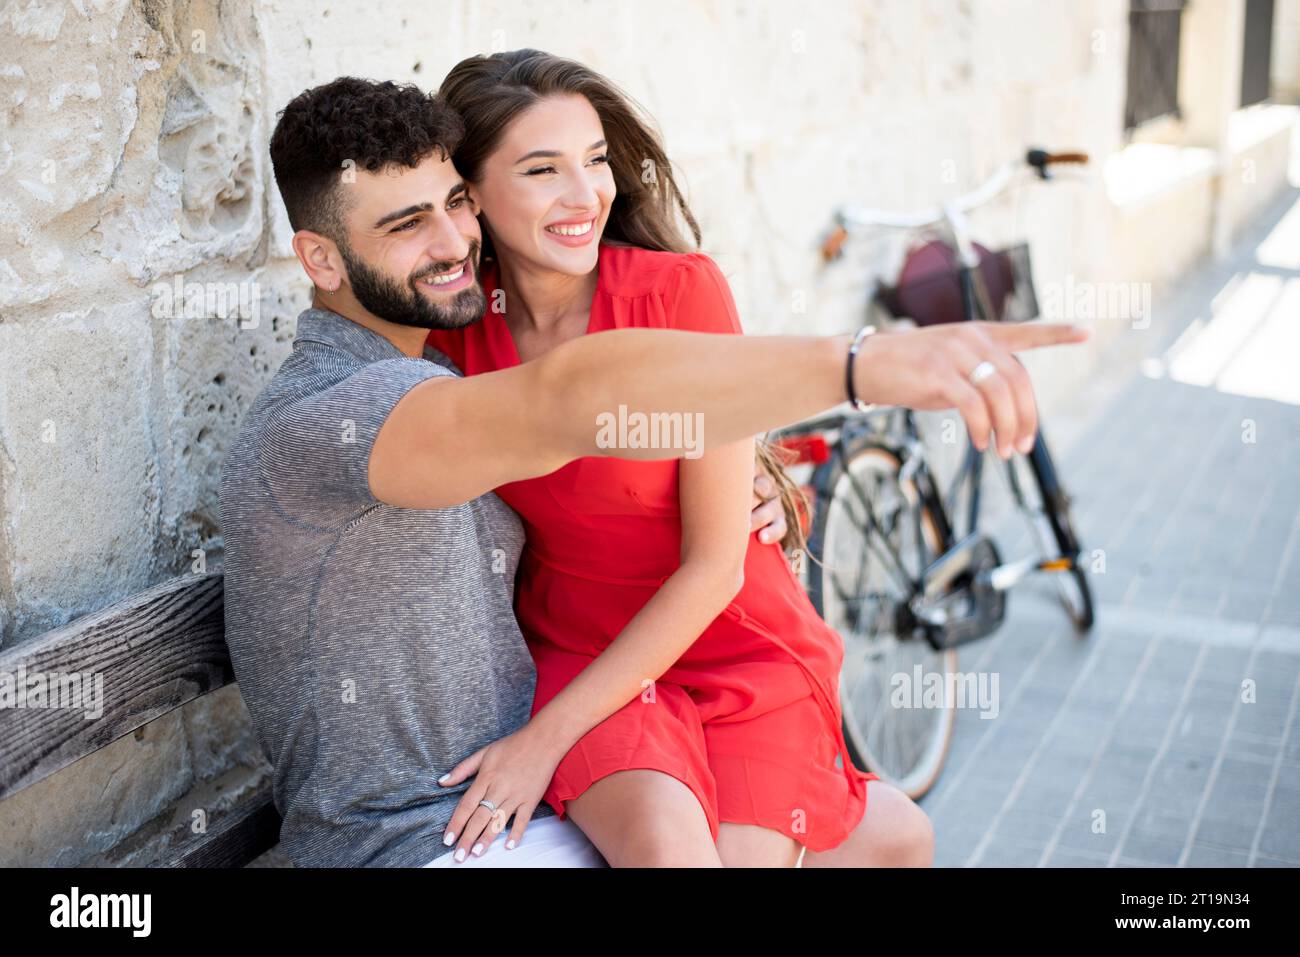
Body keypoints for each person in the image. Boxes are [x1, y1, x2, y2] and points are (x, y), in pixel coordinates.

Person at [218, 74, 1087, 868]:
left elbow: (630, 417)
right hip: (428, 831)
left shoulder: (443, 333)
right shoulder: (340, 411)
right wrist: (859, 366)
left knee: (897, 835)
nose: (452, 243)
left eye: (451, 206)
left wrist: (759, 472)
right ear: (321, 260)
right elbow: (569, 398)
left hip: (559, 751)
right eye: (408, 225)